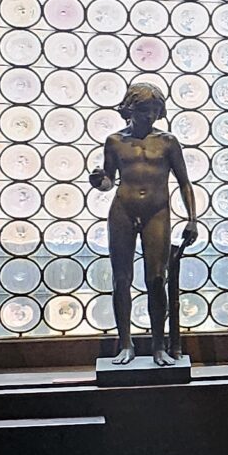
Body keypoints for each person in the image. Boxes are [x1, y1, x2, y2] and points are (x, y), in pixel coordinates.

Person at [89, 82, 200, 366]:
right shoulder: (115, 141)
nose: (149, 115)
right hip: (122, 211)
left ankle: (158, 346)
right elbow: (109, 181)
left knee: (157, 278)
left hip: (157, 212)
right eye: (143, 110)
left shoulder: (168, 142)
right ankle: (125, 344)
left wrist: (192, 219)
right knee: (121, 279)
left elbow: (184, 182)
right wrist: (99, 181)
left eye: (153, 110)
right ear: (130, 110)